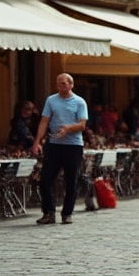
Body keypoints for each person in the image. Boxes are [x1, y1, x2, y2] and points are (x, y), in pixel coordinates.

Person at [32, 73, 89, 225]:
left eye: (63, 84)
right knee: (45, 179)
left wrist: (68, 128)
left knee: (71, 181)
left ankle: (67, 213)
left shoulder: (79, 102)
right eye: (58, 84)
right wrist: (37, 141)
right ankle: (49, 212)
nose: (60, 87)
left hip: (73, 146)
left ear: (71, 85)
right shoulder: (51, 100)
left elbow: (82, 125)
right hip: (54, 145)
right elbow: (44, 121)